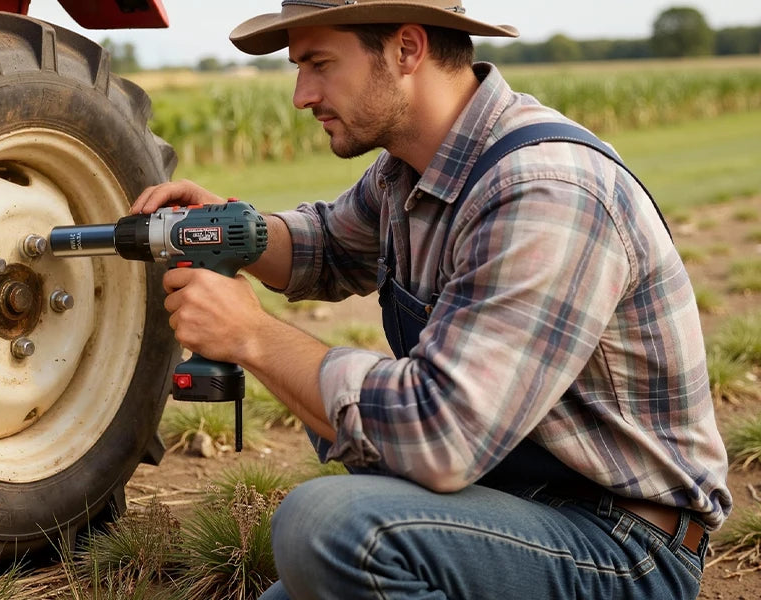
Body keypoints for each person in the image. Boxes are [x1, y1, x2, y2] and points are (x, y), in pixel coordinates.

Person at [130, 1, 731, 598]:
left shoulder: (546, 192)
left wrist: (252, 336)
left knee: (331, 526)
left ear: (407, 49)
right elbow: (329, 245)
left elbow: (442, 437)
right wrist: (228, 227)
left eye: (318, 63)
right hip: (505, 508)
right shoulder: (410, 172)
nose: (301, 95)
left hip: (619, 544)